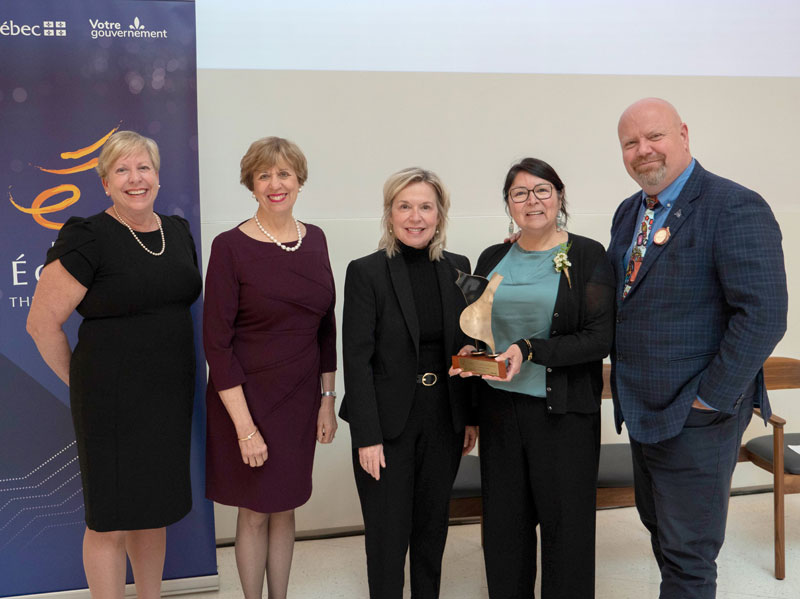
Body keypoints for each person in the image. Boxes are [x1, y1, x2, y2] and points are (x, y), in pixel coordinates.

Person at [608, 98, 788, 598]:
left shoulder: (734, 205)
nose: (643, 150)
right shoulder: (629, 212)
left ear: (683, 135)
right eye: (630, 143)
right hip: (643, 411)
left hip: (698, 417)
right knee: (663, 537)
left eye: (655, 136)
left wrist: (709, 399)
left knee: (689, 557)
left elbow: (764, 315)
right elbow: (621, 299)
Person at [26, 131, 202, 599]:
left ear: (158, 177)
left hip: (169, 398)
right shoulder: (88, 236)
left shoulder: (177, 231)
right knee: (110, 521)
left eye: (143, 167)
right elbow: (40, 324)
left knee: (154, 511)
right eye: (121, 170)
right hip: (110, 404)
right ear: (105, 182)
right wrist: (82, 384)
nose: (135, 178)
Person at [455, 157, 615, 598]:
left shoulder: (587, 255)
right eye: (520, 193)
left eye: (542, 190)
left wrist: (530, 350)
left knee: (567, 529)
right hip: (500, 411)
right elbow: (483, 327)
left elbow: (598, 339)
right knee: (506, 529)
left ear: (559, 197)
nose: (532, 200)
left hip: (563, 414)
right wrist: (474, 353)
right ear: (508, 204)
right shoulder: (493, 256)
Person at [203, 137, 337, 599]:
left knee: (286, 505)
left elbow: (326, 328)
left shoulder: (316, 238)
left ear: (299, 180)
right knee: (256, 510)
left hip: (301, 398)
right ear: (251, 184)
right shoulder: (229, 246)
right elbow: (216, 345)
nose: (275, 184)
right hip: (247, 400)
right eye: (264, 175)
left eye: (284, 174)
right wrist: (245, 429)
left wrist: (327, 400)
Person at [340, 167, 479, 599]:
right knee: (387, 537)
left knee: (431, 531)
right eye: (404, 206)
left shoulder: (458, 268)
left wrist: (468, 416)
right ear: (389, 213)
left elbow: (467, 345)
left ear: (440, 215)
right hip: (387, 425)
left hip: (443, 418)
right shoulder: (366, 272)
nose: (415, 217)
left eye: (425, 207)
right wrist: (367, 436)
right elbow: (356, 361)